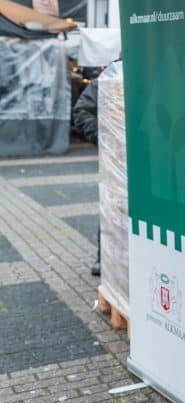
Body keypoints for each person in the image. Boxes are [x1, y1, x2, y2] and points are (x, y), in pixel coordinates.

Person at [71, 79, 102, 276]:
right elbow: (82, 111)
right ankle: (105, 257)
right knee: (115, 207)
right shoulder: (110, 78)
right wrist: (104, 136)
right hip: (118, 158)